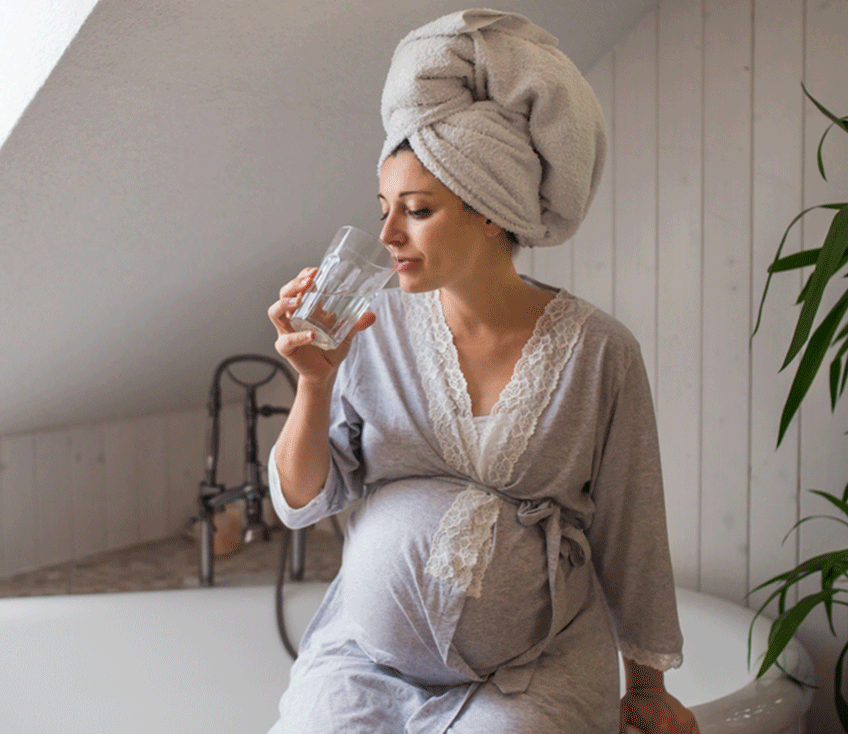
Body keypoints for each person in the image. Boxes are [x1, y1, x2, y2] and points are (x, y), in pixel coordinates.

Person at [264, 9, 699, 734]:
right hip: (364, 663)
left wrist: (647, 687)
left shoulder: (599, 351)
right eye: (384, 209)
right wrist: (313, 383)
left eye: (418, 210)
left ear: (492, 212)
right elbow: (301, 501)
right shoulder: (368, 326)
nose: (387, 236)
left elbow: (633, 524)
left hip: (533, 671)